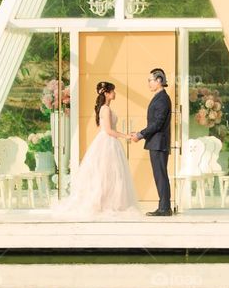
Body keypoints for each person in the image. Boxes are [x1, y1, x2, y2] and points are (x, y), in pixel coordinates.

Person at [52, 81, 140, 217]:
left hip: (108, 142)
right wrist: (126, 136)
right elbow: (109, 130)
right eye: (112, 91)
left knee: (108, 174)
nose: (114, 93)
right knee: (106, 174)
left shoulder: (105, 108)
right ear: (106, 93)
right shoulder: (105, 109)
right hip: (108, 143)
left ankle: (107, 202)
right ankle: (104, 203)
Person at [131, 68, 172, 216]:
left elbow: (157, 124)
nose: (148, 83)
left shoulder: (162, 99)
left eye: (150, 80)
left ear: (159, 80)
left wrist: (141, 134)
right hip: (156, 142)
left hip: (159, 143)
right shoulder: (159, 97)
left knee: (160, 175)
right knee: (160, 175)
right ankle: (164, 206)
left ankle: (164, 208)